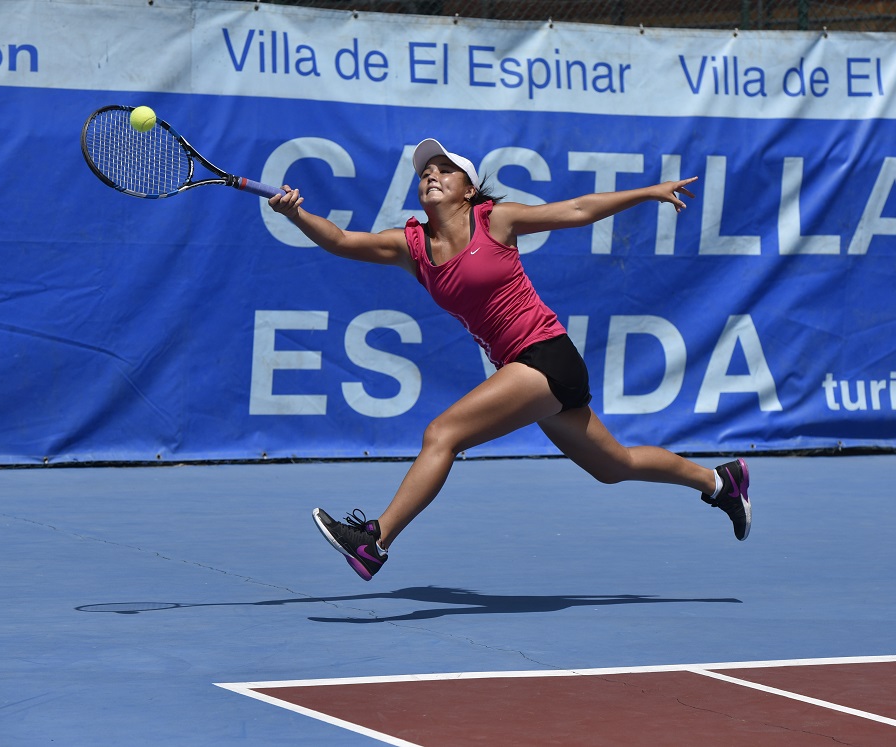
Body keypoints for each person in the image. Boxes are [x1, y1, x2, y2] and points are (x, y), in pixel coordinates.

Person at [267, 138, 751, 581]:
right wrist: (295, 214)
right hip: (522, 370)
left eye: (445, 170)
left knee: (443, 434)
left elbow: (579, 208)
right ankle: (720, 481)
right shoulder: (411, 246)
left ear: (468, 189)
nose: (431, 175)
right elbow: (341, 241)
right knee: (613, 465)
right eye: (425, 172)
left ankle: (376, 540)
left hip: (546, 357)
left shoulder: (495, 220)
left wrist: (649, 192)